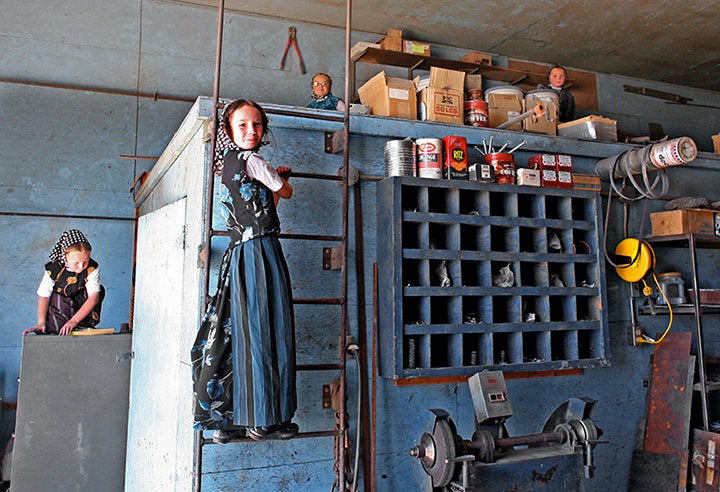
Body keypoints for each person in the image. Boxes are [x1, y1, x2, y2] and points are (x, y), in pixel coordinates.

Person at [192, 99, 298, 444]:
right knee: (270, 330)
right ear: (229, 129)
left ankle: (230, 419)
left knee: (238, 333)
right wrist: (280, 180)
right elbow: (286, 192)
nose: (251, 131)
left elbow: (260, 206)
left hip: (238, 253)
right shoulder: (255, 160)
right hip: (261, 252)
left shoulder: (226, 163)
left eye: (256, 125)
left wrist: (272, 189)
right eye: (243, 125)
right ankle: (266, 419)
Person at [23, 229, 105, 336]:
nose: (81, 267)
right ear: (65, 256)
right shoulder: (54, 269)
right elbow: (44, 296)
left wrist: (74, 321)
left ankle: (83, 324)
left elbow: (93, 298)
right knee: (58, 329)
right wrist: (41, 323)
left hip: (81, 304)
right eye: (76, 263)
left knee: (100, 290)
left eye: (85, 261)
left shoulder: (92, 268)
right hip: (59, 306)